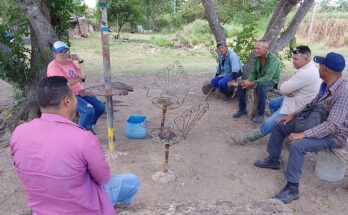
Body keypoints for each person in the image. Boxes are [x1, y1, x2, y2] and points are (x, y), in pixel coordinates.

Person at [10, 76, 140, 214]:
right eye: (74, 94)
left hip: (41, 208)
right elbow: (103, 177)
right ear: (67, 101)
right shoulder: (83, 138)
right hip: (80, 208)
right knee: (132, 181)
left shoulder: (19, 132)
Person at [253, 52, 347, 204]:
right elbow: (312, 104)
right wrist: (293, 114)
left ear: (326, 70)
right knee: (280, 124)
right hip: (317, 121)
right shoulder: (326, 84)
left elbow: (332, 125)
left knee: (297, 145)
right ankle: (273, 159)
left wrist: (303, 134)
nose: (318, 68)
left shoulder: (343, 92)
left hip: (335, 136)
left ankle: (292, 188)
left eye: (321, 65)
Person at [231, 46, 321, 144]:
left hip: (299, 105)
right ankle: (279, 129)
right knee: (273, 103)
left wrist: (287, 89)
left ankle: (247, 138)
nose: (293, 61)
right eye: (293, 58)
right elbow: (254, 73)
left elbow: (283, 88)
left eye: (296, 59)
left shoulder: (306, 72)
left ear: (306, 58)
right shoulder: (306, 67)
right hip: (294, 97)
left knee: (268, 123)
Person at [47, 41, 105, 131]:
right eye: (60, 51)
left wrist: (80, 60)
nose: (64, 53)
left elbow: (83, 76)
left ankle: (89, 127)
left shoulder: (70, 63)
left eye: (65, 51)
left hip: (80, 92)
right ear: (54, 53)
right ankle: (79, 133)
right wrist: (79, 79)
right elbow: (65, 83)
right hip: (66, 95)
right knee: (88, 111)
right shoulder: (53, 66)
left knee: (101, 107)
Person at [233, 40, 281, 123]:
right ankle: (242, 109)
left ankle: (261, 114)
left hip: (271, 81)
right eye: (255, 48)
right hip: (259, 80)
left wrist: (252, 83)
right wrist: (248, 81)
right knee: (241, 85)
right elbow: (253, 73)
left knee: (261, 86)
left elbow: (268, 77)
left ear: (265, 49)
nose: (256, 50)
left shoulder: (274, 59)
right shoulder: (257, 58)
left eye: (258, 49)